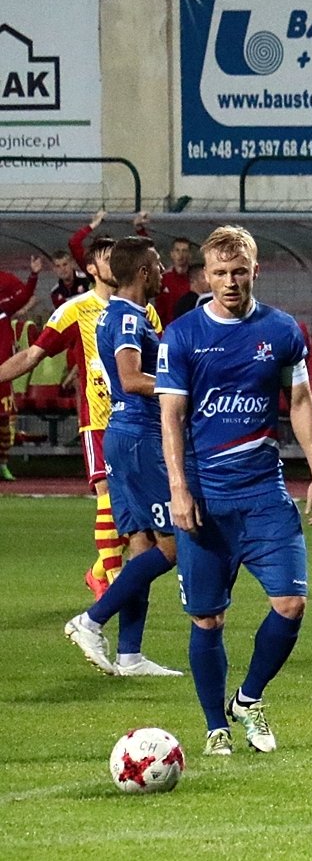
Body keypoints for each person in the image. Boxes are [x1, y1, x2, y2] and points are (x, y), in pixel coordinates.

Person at [155, 225, 312, 755]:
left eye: (238, 271)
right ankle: (216, 727)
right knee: (207, 617)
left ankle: (248, 699)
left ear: (256, 271)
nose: (229, 281)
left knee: (291, 602)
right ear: (205, 276)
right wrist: (179, 488)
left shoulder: (281, 330)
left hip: (264, 495)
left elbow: (301, 402)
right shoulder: (182, 335)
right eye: (219, 273)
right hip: (206, 499)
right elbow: (171, 417)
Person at [63, 237, 184, 677]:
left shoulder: (114, 314)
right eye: (158, 264)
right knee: (172, 547)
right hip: (139, 438)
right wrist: (180, 386)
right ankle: (91, 620)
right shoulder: (130, 318)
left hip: (121, 434)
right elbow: (131, 379)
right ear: (143, 272)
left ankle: (130, 655)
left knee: (141, 547)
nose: (163, 271)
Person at [0, 235, 137, 596]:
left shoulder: (140, 310)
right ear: (91, 268)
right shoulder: (76, 309)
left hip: (139, 422)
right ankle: (114, 586)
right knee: (107, 497)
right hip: (99, 420)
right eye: (108, 257)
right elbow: (32, 355)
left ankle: (97, 572)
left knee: (138, 510)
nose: (116, 263)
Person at [0, 255, 43, 481]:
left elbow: (24, 296)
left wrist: (34, 275)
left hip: (3, 371)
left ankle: (3, 463)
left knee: (4, 419)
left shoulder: (4, 305)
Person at [154, 236, 194, 325]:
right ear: (172, 254)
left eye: (184, 251)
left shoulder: (195, 280)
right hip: (167, 328)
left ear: (190, 255)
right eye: (177, 250)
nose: (181, 255)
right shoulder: (163, 279)